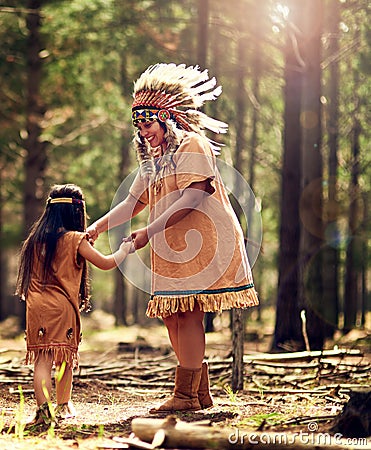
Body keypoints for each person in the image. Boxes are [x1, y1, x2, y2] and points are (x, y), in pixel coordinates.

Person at [87, 63, 259, 413]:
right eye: (137, 124)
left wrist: (148, 232)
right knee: (172, 314)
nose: (142, 131)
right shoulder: (154, 158)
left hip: (203, 242)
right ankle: (198, 393)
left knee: (188, 313)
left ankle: (184, 396)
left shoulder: (192, 145)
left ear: (166, 117)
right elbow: (131, 203)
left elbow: (192, 198)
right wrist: (97, 228)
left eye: (147, 123)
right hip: (172, 247)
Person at [16, 183, 134, 425]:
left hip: (35, 307)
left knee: (42, 360)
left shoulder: (34, 241)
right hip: (61, 308)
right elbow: (105, 262)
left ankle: (42, 412)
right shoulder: (74, 239)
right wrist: (125, 249)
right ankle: (63, 405)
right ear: (76, 213)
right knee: (64, 357)